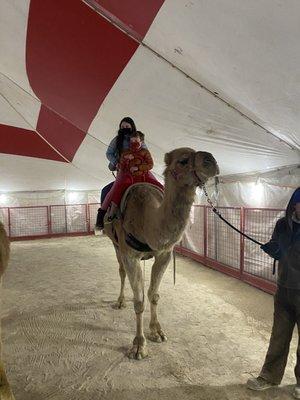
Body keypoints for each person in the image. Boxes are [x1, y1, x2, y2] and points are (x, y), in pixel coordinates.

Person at [247, 187, 300, 399]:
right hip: (284, 290)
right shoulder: (282, 225)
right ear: (294, 205)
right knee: (278, 336)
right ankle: (269, 376)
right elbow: (278, 247)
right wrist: (273, 249)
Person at [101, 131, 163, 220]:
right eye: (132, 141)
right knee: (119, 188)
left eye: (136, 141)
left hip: (143, 176)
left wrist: (138, 168)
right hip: (130, 177)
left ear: (141, 142)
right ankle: (113, 211)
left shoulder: (145, 152)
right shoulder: (125, 153)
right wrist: (125, 160)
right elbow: (122, 167)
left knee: (159, 186)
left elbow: (150, 165)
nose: (134, 143)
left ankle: (169, 206)